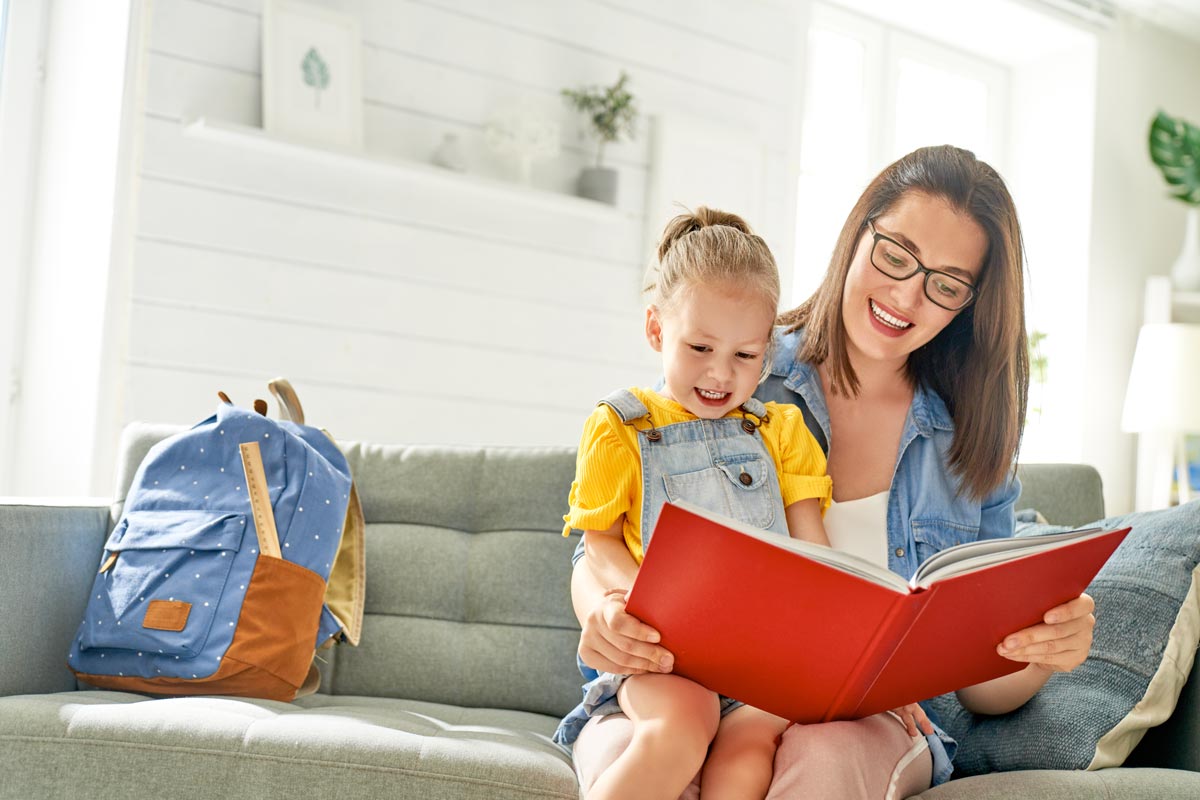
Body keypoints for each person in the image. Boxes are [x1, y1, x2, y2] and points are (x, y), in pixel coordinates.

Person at [568, 145, 1098, 800]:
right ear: (857, 233)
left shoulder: (969, 443)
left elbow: (983, 691)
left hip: (858, 723)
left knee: (823, 755)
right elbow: (604, 551)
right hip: (684, 690)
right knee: (656, 755)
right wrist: (609, 616)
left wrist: (1044, 649)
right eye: (896, 256)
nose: (907, 295)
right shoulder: (737, 363)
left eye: (947, 285)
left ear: (969, 303)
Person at [553, 207, 836, 800]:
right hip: (663, 654)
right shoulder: (620, 426)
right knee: (682, 728)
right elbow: (599, 545)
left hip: (763, 662)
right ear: (657, 330)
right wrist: (629, 608)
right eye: (700, 346)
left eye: (745, 355)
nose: (719, 373)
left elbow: (816, 553)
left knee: (748, 751)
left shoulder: (782, 430)